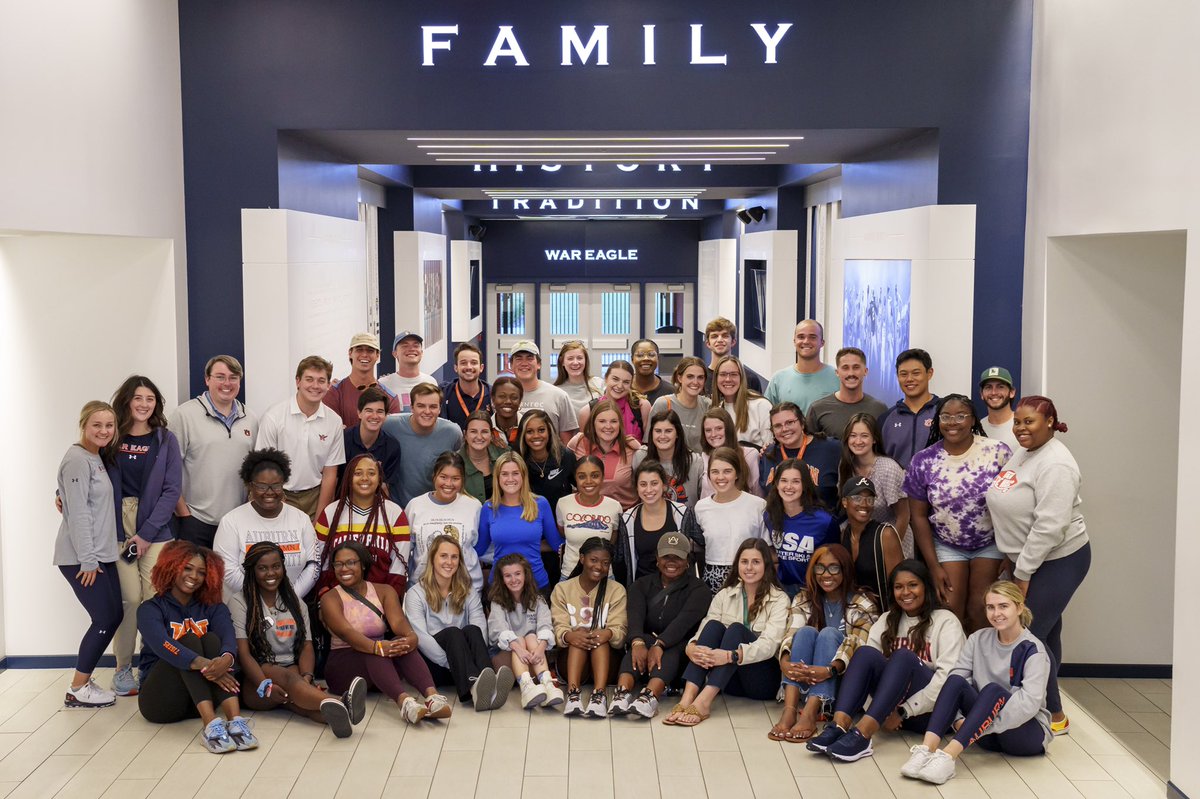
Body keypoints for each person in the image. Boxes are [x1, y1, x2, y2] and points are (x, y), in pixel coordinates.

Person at [986, 395, 1090, 736]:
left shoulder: (1056, 463)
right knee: (1047, 632)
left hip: (1057, 559)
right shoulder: (1026, 451)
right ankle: (1047, 705)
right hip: (1026, 558)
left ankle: (1054, 714)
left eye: (1029, 421)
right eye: (1017, 422)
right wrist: (1009, 553)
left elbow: (1049, 526)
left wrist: (1022, 571)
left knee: (1028, 634)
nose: (1020, 428)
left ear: (1050, 422)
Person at [806, 560, 965, 763]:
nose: (906, 592)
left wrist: (903, 711)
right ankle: (839, 726)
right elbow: (863, 672)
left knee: (903, 657)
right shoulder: (887, 619)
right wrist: (880, 712)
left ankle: (862, 735)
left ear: (926, 586)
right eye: (899, 587)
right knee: (864, 653)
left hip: (930, 714)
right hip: (889, 714)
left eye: (913, 585)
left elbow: (949, 679)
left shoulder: (945, 621)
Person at [900, 581, 1052, 785]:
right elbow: (957, 684)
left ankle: (948, 757)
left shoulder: (1033, 649)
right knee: (955, 680)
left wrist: (980, 726)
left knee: (992, 690)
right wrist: (960, 720)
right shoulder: (977, 639)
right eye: (990, 607)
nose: (996, 613)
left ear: (1019, 607)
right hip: (984, 734)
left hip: (1025, 736)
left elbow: (1029, 704)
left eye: (1003, 606)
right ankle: (926, 750)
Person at [230, 542, 367, 737]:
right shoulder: (240, 602)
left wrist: (307, 677)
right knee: (286, 677)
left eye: (276, 566)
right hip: (257, 681)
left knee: (297, 703)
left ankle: (337, 717)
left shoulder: (295, 602)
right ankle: (341, 701)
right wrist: (266, 685)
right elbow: (243, 654)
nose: (271, 573)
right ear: (252, 571)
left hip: (292, 673)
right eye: (262, 568)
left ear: (283, 568)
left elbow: (306, 645)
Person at [136, 540, 258, 753]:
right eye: (187, 568)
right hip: (159, 702)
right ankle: (210, 725)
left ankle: (236, 722)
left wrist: (226, 659)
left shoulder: (213, 607)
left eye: (201, 572)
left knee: (212, 640)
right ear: (171, 567)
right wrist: (206, 665)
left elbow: (228, 637)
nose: (194, 576)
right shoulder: (150, 609)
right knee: (189, 642)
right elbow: (163, 645)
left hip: (197, 701)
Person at [905, 394, 1011, 632]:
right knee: (949, 612)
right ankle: (953, 668)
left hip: (990, 543)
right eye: (946, 416)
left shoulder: (997, 453)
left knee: (980, 610)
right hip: (947, 545)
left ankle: (979, 667)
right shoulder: (923, 461)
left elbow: (1013, 505)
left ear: (973, 419)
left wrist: (1010, 552)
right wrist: (933, 566)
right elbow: (918, 516)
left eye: (961, 416)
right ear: (937, 421)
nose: (953, 422)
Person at [320, 540, 451, 724]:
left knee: (400, 641)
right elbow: (346, 632)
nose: (344, 568)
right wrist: (378, 647)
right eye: (338, 564)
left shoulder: (384, 591)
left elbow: (398, 622)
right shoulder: (330, 598)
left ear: (363, 564)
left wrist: (411, 637)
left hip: (379, 666)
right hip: (343, 667)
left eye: (351, 562)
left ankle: (432, 697)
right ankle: (405, 703)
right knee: (375, 650)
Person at [109, 375, 183, 697]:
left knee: (155, 601)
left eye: (149, 398)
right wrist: (61, 493)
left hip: (155, 527)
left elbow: (172, 491)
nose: (143, 404)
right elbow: (86, 469)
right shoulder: (111, 436)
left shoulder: (165, 440)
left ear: (156, 404)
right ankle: (123, 666)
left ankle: (152, 664)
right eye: (137, 398)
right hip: (114, 528)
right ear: (127, 401)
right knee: (130, 600)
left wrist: (146, 535)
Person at [663, 538, 788, 726]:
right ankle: (687, 698)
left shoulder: (779, 599)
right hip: (731, 681)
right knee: (714, 625)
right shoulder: (725, 594)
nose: (749, 568)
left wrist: (732, 656)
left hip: (761, 682)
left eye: (756, 562)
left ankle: (704, 702)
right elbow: (705, 628)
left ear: (766, 566)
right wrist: (692, 647)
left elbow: (769, 646)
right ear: (737, 564)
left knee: (736, 629)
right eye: (744, 562)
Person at [770, 544, 878, 742]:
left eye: (834, 568)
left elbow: (857, 644)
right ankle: (790, 710)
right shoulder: (805, 598)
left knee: (828, 634)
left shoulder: (862, 603)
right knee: (805, 632)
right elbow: (791, 631)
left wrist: (830, 670)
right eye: (820, 568)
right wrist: (784, 662)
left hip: (842, 681)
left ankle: (810, 713)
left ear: (845, 570)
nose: (826, 574)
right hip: (806, 677)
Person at [55, 400, 122, 708]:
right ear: (83, 425)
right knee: (105, 618)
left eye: (109, 425)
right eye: (97, 425)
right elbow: (80, 513)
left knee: (113, 615)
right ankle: (78, 688)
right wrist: (89, 559)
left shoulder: (96, 456)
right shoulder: (77, 459)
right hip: (83, 557)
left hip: (101, 554)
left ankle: (82, 683)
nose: (104, 431)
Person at [405, 535, 513, 710]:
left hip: (465, 664)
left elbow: (479, 627)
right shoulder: (416, 593)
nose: (449, 562)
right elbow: (421, 638)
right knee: (453, 632)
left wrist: (465, 660)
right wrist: (453, 661)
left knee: (471, 629)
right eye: (444, 556)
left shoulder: (467, 590)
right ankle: (474, 687)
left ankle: (488, 683)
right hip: (436, 665)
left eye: (454, 557)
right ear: (432, 558)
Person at [610, 532, 709, 719]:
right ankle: (622, 693)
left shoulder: (699, 589)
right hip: (647, 644)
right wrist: (637, 642)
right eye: (666, 556)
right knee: (639, 644)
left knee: (673, 648)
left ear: (687, 560)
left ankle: (649, 696)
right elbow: (635, 617)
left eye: (678, 557)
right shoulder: (641, 585)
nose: (671, 562)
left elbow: (683, 623)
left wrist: (660, 644)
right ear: (657, 558)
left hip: (680, 649)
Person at [169, 354, 259, 549]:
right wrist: (184, 514)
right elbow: (169, 471)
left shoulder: (250, 418)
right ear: (207, 379)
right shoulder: (184, 415)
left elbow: (255, 471)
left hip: (236, 522)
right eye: (220, 377)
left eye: (233, 377)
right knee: (195, 579)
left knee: (230, 580)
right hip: (195, 521)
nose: (227, 383)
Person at [213, 449, 319, 598]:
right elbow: (228, 571)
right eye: (262, 486)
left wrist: (290, 598)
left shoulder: (301, 519)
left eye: (276, 485)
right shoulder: (231, 522)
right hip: (246, 605)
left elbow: (313, 565)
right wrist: (263, 599)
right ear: (250, 485)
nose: (270, 492)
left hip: (292, 604)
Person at [255, 355, 346, 519]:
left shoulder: (334, 421)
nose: (315, 386)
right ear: (298, 381)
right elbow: (264, 468)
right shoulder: (273, 417)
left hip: (315, 497)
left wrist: (320, 518)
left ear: (328, 385)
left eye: (321, 380)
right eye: (309, 379)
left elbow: (330, 473)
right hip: (278, 493)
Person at [551, 537, 628, 717]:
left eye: (605, 563)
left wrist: (607, 633)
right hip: (570, 662)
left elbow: (620, 631)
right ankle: (573, 693)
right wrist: (570, 636)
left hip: (607, 664)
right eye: (594, 560)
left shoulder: (616, 590)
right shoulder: (562, 589)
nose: (599, 567)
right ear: (582, 558)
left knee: (598, 639)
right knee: (579, 636)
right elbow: (557, 627)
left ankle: (599, 695)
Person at [314, 453, 410, 594]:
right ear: (348, 478)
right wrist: (326, 596)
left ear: (379, 479)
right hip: (337, 599)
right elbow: (321, 564)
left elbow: (398, 568)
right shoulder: (331, 512)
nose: (365, 478)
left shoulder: (395, 513)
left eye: (371, 473)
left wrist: (387, 601)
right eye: (358, 473)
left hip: (381, 600)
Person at [476, 452, 564, 594]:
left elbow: (557, 544)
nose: (510, 479)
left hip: (536, 584)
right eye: (504, 474)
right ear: (497, 478)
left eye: (515, 473)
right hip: (500, 587)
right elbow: (479, 549)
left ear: (523, 476)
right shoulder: (489, 508)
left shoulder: (540, 504)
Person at [684, 447, 769, 593]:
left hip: (750, 577)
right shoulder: (701, 507)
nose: (720, 477)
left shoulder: (758, 505)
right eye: (715, 472)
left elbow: (767, 548)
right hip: (712, 577)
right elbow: (700, 546)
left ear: (737, 473)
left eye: (727, 471)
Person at [486, 554, 564, 709]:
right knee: (520, 639)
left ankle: (547, 684)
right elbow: (499, 632)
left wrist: (540, 648)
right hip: (504, 660)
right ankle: (526, 687)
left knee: (532, 637)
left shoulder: (538, 600)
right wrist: (520, 649)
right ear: (501, 579)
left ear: (525, 575)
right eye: (507, 576)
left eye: (517, 574)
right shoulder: (497, 602)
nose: (513, 579)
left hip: (533, 659)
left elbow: (546, 627)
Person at [404, 452, 483, 593]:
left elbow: (481, 548)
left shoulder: (473, 506)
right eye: (443, 477)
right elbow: (405, 551)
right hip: (423, 591)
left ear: (463, 480)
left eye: (455, 478)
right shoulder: (415, 506)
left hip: (466, 591)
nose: (448, 484)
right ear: (434, 476)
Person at [837, 414, 910, 558]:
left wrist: (890, 549)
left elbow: (904, 516)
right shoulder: (845, 466)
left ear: (874, 439)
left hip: (892, 539)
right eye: (853, 436)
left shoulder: (889, 468)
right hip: (860, 540)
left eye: (864, 436)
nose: (858, 441)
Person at [764, 459, 841, 596]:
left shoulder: (824, 521)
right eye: (784, 480)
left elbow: (835, 559)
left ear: (805, 485)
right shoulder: (769, 516)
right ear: (776, 483)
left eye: (795, 481)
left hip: (814, 591)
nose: (789, 486)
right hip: (780, 589)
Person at [381, 382, 464, 506]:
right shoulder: (389, 425)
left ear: (440, 409)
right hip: (399, 510)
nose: (427, 411)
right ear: (412, 407)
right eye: (421, 406)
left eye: (433, 406)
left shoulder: (452, 432)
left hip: (434, 509)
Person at [614, 460, 689, 584]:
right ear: (636, 487)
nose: (649, 490)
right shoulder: (628, 519)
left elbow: (697, 549)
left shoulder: (682, 513)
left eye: (654, 483)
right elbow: (620, 561)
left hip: (677, 588)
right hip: (642, 589)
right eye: (643, 484)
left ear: (664, 485)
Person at [760, 402, 841, 508]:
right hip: (780, 522)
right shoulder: (768, 454)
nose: (784, 429)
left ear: (802, 423)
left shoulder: (831, 448)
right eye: (778, 426)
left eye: (790, 422)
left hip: (821, 521)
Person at [567, 399, 644, 510]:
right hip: (586, 513)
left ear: (620, 424)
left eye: (613, 421)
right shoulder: (578, 442)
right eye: (602, 421)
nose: (608, 426)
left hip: (625, 514)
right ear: (593, 423)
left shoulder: (632, 446)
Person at [556, 455, 622, 581]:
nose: (588, 481)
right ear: (575, 478)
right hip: (569, 575)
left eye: (595, 475)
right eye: (581, 476)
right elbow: (563, 532)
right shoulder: (563, 503)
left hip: (604, 576)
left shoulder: (615, 506)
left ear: (603, 477)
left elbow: (612, 541)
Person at [840, 477, 904, 605]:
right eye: (857, 498)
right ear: (845, 502)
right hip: (856, 613)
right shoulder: (844, 534)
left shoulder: (885, 534)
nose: (864, 504)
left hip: (885, 613)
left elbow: (899, 583)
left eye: (869, 499)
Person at [805, 347, 888, 439]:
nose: (851, 373)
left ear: (865, 371)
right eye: (845, 368)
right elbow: (808, 448)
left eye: (856, 367)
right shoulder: (818, 409)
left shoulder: (880, 409)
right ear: (837, 372)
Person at [877, 348, 940, 469]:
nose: (909, 379)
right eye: (903, 374)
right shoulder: (885, 419)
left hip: (937, 487)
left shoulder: (944, 413)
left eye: (916, 373)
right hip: (897, 487)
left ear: (929, 373)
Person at [323, 332, 401, 427]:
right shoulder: (334, 394)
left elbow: (390, 434)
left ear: (377, 355)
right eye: (359, 350)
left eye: (370, 351)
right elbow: (329, 433)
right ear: (350, 353)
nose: (364, 354)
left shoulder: (390, 398)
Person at [340, 386, 403, 503]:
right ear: (359, 413)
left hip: (375, 505)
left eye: (380, 411)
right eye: (369, 410)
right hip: (343, 503)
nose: (374, 416)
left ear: (386, 416)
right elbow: (335, 480)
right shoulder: (342, 440)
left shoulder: (392, 446)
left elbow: (385, 488)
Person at [765, 320, 841, 414]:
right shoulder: (778, 379)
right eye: (801, 337)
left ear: (822, 342)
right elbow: (768, 418)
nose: (806, 341)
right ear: (794, 341)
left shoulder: (837, 377)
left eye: (812, 337)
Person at [510, 340, 578, 442]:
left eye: (529, 358)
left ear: (539, 364)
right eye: (518, 358)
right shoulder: (502, 398)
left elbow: (567, 445)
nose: (524, 363)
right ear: (511, 365)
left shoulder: (559, 396)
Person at [632, 410, 702, 508]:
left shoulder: (694, 462)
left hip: (686, 521)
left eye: (668, 431)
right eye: (658, 431)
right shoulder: (640, 457)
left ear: (677, 433)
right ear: (651, 433)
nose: (663, 436)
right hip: (651, 519)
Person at [517, 409, 577, 514]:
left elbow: (579, 488)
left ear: (549, 431)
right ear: (523, 434)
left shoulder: (565, 456)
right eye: (529, 431)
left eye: (541, 430)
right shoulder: (517, 460)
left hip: (560, 521)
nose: (536, 436)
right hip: (529, 520)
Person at [647, 356, 711, 452]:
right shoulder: (663, 404)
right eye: (690, 376)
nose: (695, 382)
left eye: (700, 377)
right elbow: (649, 443)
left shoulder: (708, 406)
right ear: (680, 378)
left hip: (700, 465)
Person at [578, 360, 652, 442]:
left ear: (631, 384)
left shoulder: (642, 407)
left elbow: (648, 445)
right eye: (615, 379)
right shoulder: (588, 411)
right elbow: (585, 447)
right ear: (606, 378)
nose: (620, 386)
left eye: (626, 382)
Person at [711, 355, 773, 448]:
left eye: (733, 374)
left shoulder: (761, 405)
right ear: (716, 379)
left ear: (741, 378)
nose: (728, 379)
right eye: (723, 374)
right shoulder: (717, 409)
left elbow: (770, 449)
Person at [699, 408, 761, 498]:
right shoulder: (704, 457)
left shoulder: (750, 454)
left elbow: (758, 493)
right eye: (708, 430)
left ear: (728, 429)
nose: (713, 434)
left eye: (719, 428)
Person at [701, 317, 763, 395]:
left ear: (733, 341)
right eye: (714, 336)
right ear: (708, 343)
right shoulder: (702, 378)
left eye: (725, 336)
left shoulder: (750, 379)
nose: (720, 340)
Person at [378, 330, 437, 411]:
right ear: (395, 353)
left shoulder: (430, 382)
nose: (411, 349)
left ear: (422, 352)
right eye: (405, 346)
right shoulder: (384, 384)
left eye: (416, 346)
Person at [441, 341, 492, 431]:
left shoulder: (492, 394)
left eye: (474, 363)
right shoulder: (443, 393)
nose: (469, 367)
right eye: (463, 363)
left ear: (481, 368)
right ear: (456, 368)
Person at [459, 410, 506, 505]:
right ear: (465, 434)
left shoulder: (505, 456)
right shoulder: (454, 462)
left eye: (484, 432)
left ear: (491, 435)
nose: (479, 437)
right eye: (473, 431)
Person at [553, 340, 604, 416]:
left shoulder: (599, 383)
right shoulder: (556, 391)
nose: (575, 363)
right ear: (562, 362)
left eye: (579, 358)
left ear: (585, 360)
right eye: (570, 358)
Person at [978, 366, 1019, 451]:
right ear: (981, 394)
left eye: (1000, 387)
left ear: (1012, 392)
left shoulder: (1023, 425)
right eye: (988, 387)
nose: (994, 392)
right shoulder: (978, 428)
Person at [630, 338, 675, 404]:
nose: (646, 358)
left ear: (658, 358)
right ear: (632, 359)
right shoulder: (624, 388)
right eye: (640, 355)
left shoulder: (671, 392)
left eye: (651, 355)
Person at [490, 376, 525, 446]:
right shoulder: (485, 429)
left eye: (514, 397)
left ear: (520, 400)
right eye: (502, 396)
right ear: (493, 399)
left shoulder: (527, 426)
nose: (508, 401)